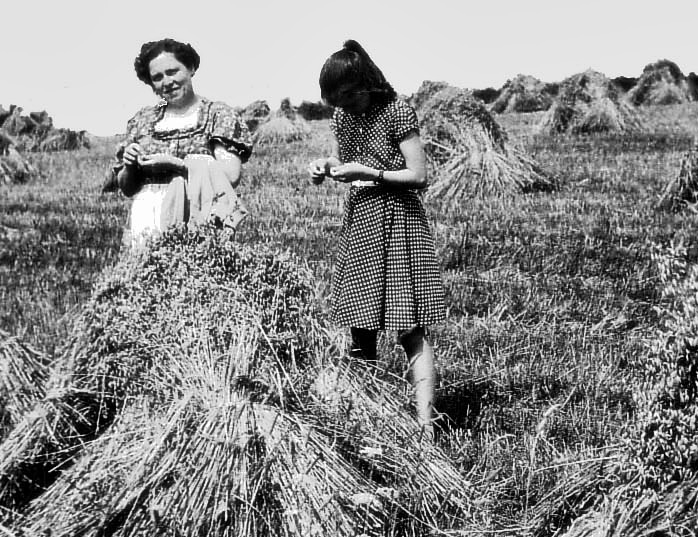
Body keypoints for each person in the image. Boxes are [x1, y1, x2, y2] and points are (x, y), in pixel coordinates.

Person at [308, 40, 446, 437]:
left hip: (399, 223)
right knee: (359, 327)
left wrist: (370, 173)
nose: (345, 107)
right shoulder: (343, 117)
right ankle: (364, 415)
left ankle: (425, 429)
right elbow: (340, 161)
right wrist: (326, 168)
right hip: (362, 223)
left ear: (367, 83)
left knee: (410, 327)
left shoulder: (397, 111)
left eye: (349, 98)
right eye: (337, 101)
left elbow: (418, 176)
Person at [110, 38, 253, 247]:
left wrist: (178, 165)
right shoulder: (142, 121)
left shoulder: (218, 115)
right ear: (151, 84)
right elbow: (127, 188)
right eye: (157, 77)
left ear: (191, 68)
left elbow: (230, 175)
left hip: (199, 210)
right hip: (148, 214)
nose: (167, 82)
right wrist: (130, 164)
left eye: (173, 71)